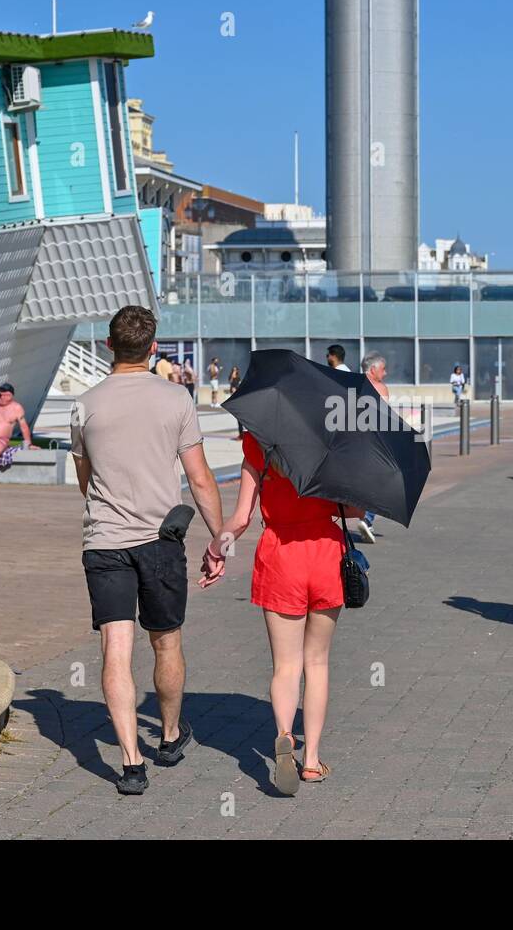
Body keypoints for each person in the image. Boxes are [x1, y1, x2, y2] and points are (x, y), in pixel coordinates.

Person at [70, 306, 227, 795]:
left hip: (106, 543)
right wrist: (219, 538)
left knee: (115, 648)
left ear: (109, 346)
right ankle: (171, 736)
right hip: (161, 542)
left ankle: (131, 763)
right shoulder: (176, 398)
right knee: (166, 639)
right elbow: (200, 478)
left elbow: (85, 481)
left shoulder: (85, 404)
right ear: (153, 348)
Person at [218, 431, 365, 795]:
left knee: (286, 665)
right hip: (325, 555)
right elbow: (355, 512)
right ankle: (312, 760)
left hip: (280, 553)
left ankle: (285, 735)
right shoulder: (332, 444)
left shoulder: (258, 444)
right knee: (317, 662)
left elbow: (240, 519)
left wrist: (216, 548)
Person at [355, 352, 389, 544]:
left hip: (353, 441)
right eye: (383, 369)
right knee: (379, 482)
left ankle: (362, 517)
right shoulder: (380, 388)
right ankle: (366, 518)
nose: (385, 373)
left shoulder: (352, 385)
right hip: (374, 442)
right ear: (373, 369)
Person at [229, 366, 244, 439]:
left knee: (240, 418)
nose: (235, 371)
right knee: (238, 418)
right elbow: (230, 382)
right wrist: (232, 375)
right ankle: (241, 434)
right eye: (233, 370)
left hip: (239, 397)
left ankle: (242, 434)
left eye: (236, 370)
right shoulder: (231, 377)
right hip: (234, 398)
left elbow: (239, 385)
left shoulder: (238, 377)